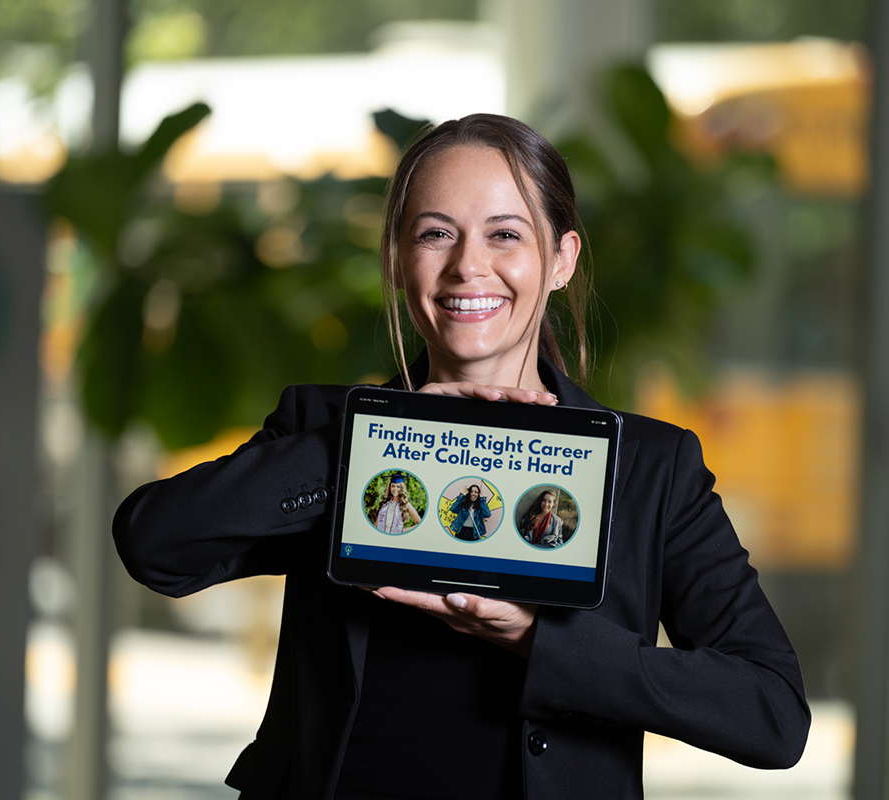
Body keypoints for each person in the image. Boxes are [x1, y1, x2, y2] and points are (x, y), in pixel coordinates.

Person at [113, 113, 810, 799]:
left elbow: (771, 714)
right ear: (396, 258)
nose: (467, 265)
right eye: (434, 234)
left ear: (562, 259)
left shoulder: (651, 468)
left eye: (505, 234)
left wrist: (539, 641)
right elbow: (156, 546)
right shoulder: (326, 431)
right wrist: (380, 444)